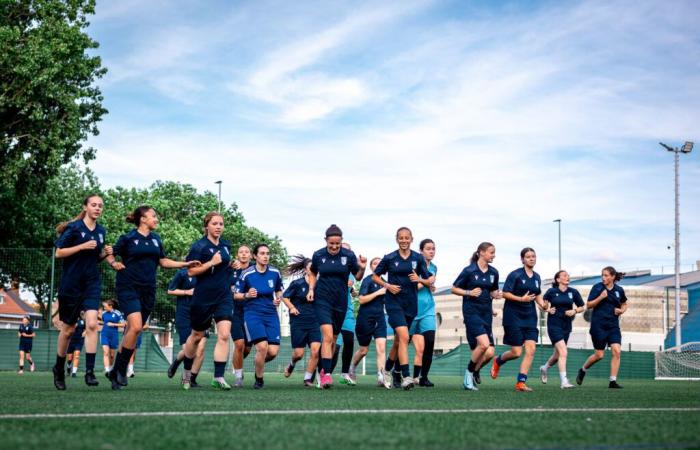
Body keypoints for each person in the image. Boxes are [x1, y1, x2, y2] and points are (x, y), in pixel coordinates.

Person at [105, 205, 198, 390]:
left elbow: (163, 261)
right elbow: (110, 253)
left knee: (133, 330)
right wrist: (114, 262)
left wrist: (186, 263)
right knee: (136, 326)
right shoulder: (128, 238)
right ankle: (121, 371)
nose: (156, 219)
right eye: (153, 216)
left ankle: (115, 371)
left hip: (148, 290)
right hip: (128, 286)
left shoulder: (156, 239)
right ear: (142, 219)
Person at [52, 194, 112, 390]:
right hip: (71, 284)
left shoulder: (101, 231)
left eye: (100, 206)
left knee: (93, 324)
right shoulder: (74, 228)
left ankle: (90, 372)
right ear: (85, 207)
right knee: (68, 330)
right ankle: (59, 369)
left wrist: (105, 254)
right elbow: (59, 253)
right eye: (93, 205)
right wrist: (81, 246)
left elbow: (93, 258)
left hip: (91, 283)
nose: (97, 208)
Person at [373, 227, 434, 390]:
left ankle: (386, 370)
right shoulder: (389, 258)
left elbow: (430, 281)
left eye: (407, 238)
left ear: (411, 239)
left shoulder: (418, 258)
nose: (404, 240)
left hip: (411, 304)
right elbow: (375, 276)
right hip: (393, 303)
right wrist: (387, 285)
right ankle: (406, 376)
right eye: (401, 238)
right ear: (397, 239)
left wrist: (419, 278)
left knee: (399, 341)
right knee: (405, 337)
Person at [307, 224, 366, 389]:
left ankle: (324, 370)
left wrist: (362, 266)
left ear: (341, 242)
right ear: (326, 240)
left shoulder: (348, 255)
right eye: (331, 243)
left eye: (337, 244)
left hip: (340, 301)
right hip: (322, 300)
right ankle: (325, 374)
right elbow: (312, 272)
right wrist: (311, 289)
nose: (334, 247)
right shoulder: (319, 255)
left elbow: (358, 276)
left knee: (333, 339)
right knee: (326, 336)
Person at [180, 212, 233, 390]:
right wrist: (211, 262)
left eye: (221, 224)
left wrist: (230, 266)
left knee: (224, 334)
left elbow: (224, 266)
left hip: (224, 295)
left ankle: (218, 377)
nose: (218, 227)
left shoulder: (226, 245)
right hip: (203, 296)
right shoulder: (199, 246)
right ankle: (186, 375)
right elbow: (190, 272)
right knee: (196, 337)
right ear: (207, 226)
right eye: (215, 224)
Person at [491, 247, 547, 392]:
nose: (531, 259)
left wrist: (543, 304)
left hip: (530, 317)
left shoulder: (537, 277)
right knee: (516, 352)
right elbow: (504, 293)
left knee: (531, 349)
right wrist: (521, 299)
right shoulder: (515, 275)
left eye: (533, 256)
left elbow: (537, 294)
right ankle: (498, 360)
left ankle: (520, 383)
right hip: (513, 316)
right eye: (528, 257)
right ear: (522, 259)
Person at [452, 242, 502, 391]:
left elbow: (492, 291)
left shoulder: (494, 272)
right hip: (471, 312)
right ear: (481, 252)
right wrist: (469, 293)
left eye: (494, 252)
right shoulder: (469, 271)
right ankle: (468, 375)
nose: (493, 255)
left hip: (486, 313)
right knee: (484, 344)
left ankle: (474, 371)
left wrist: (496, 295)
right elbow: (454, 288)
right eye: (491, 252)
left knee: (490, 352)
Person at [235, 243, 283, 389]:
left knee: (273, 352)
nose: (265, 256)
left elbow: (279, 290)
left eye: (267, 253)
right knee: (262, 347)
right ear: (255, 256)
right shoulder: (247, 274)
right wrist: (247, 294)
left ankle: (258, 364)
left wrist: (278, 299)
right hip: (252, 314)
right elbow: (236, 295)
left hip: (271, 314)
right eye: (262, 253)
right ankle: (259, 379)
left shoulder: (275, 273)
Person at [576, 266, 628, 389]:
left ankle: (612, 381)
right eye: (602, 275)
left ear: (613, 277)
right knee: (599, 355)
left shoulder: (619, 290)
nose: (603, 278)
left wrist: (621, 310)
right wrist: (601, 297)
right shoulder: (597, 287)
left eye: (606, 275)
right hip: (598, 326)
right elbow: (588, 305)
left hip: (613, 326)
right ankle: (583, 370)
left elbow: (624, 304)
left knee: (617, 351)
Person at [349, 257, 391, 388]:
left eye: (380, 263)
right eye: (374, 263)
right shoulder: (368, 280)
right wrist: (378, 292)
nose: (377, 265)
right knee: (363, 350)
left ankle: (381, 376)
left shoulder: (385, 282)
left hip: (380, 318)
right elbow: (361, 300)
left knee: (381, 347)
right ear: (371, 267)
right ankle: (352, 368)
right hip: (365, 318)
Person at [539, 270, 584, 389]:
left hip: (566, 326)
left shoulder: (573, 292)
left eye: (568, 275)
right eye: (564, 275)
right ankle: (564, 381)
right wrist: (546, 308)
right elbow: (543, 306)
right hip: (554, 325)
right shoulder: (551, 291)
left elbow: (582, 307)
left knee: (557, 355)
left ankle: (544, 368)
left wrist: (574, 311)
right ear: (558, 279)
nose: (567, 277)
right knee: (564, 352)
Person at [282, 255, 321, 387]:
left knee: (316, 351)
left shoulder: (320, 284)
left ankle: (308, 379)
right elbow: (285, 297)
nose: (313, 270)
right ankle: (292, 364)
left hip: (315, 322)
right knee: (299, 354)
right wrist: (292, 308)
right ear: (305, 270)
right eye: (311, 268)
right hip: (298, 321)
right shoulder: (297, 284)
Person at [166, 267, 208, 388]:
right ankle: (177, 362)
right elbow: (170, 290)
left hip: (202, 314)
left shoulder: (207, 272)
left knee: (200, 350)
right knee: (190, 350)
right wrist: (187, 292)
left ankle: (191, 380)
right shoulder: (182, 273)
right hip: (184, 315)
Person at [410, 239, 438, 387]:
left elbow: (427, 285)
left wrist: (429, 284)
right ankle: (395, 373)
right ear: (421, 251)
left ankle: (423, 377)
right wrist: (427, 282)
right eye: (428, 249)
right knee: (401, 342)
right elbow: (414, 287)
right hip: (412, 310)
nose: (431, 251)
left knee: (429, 343)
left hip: (428, 310)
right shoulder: (413, 265)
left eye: (433, 249)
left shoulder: (434, 267)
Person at [230, 245, 254, 387]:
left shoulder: (255, 270)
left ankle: (237, 362)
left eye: (246, 252)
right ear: (237, 255)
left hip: (251, 311)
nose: (244, 254)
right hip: (235, 311)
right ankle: (238, 377)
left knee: (247, 348)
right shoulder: (232, 270)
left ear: (251, 255)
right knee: (239, 344)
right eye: (241, 252)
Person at [100, 300, 125, 377]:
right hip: (104, 334)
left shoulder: (117, 313)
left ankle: (110, 368)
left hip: (114, 335)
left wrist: (113, 324)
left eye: (105, 306)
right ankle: (107, 370)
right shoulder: (103, 313)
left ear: (110, 306)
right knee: (105, 352)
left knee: (112, 355)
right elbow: (104, 322)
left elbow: (123, 324)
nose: (104, 308)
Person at [66, 312, 86, 377]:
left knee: (77, 355)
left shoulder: (84, 320)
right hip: (71, 340)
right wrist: (74, 326)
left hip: (80, 340)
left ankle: (74, 372)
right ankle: (69, 368)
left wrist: (85, 332)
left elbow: (87, 328)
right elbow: (67, 329)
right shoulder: (71, 319)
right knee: (69, 358)